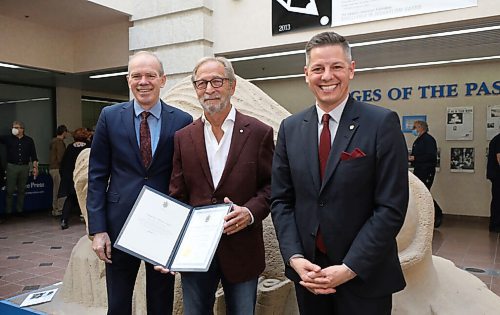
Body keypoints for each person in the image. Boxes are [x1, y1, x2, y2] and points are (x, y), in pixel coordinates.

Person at [270, 31, 408, 315]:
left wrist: (350, 267)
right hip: (310, 275)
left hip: (364, 276)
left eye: (336, 67)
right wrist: (295, 257)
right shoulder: (290, 128)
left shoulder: (382, 123)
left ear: (352, 70)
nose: (327, 76)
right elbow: (282, 201)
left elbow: (391, 207)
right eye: (318, 69)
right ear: (306, 74)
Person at [154, 56, 274, 314]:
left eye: (216, 81)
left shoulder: (259, 132)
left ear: (232, 86)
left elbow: (272, 187)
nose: (209, 89)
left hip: (242, 249)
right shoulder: (183, 138)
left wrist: (251, 212)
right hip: (195, 253)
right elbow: (177, 195)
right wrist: (169, 247)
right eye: (201, 83)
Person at [86, 51, 192, 315]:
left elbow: (185, 177)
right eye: (136, 76)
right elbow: (97, 174)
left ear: (163, 79)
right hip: (118, 226)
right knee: (119, 303)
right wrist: (97, 230)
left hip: (163, 227)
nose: (143, 81)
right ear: (128, 80)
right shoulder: (109, 117)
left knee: (161, 301)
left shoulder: (182, 121)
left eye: (150, 75)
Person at [0, 121, 39, 218]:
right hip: (11, 166)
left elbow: (34, 155)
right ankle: (8, 212)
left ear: (22, 129)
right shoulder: (8, 138)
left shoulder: (29, 140)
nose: (14, 129)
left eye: (16, 127)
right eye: (13, 127)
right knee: (9, 190)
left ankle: (19, 211)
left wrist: (35, 168)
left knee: (22, 190)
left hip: (24, 167)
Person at [409, 120, 443, 227]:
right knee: (419, 194)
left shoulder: (428, 140)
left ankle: (437, 214)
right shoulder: (419, 140)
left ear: (421, 127)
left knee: (424, 194)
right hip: (419, 170)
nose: (413, 130)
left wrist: (415, 158)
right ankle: (424, 218)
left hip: (426, 171)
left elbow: (431, 156)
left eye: (415, 127)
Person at [58, 128, 90, 229]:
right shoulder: (89, 147)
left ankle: (64, 220)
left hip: (71, 178)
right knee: (88, 199)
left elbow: (63, 164)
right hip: (85, 177)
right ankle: (89, 221)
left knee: (70, 199)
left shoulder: (70, 147)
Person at [49, 124, 68, 217]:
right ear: (64, 132)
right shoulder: (59, 142)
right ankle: (59, 209)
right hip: (58, 168)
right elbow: (61, 157)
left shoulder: (53, 141)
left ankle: (55, 208)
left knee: (55, 189)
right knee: (59, 190)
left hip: (53, 168)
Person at [487, 132, 500, 232]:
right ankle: (495, 225)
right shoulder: (499, 140)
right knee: (497, 200)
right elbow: (499, 157)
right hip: (497, 175)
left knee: (496, 199)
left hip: (495, 175)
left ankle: (495, 224)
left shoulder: (496, 139)